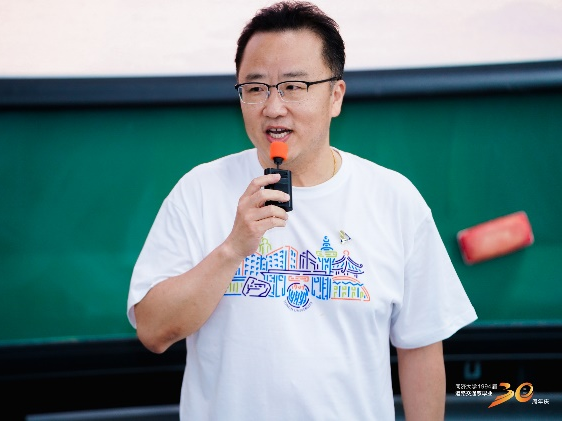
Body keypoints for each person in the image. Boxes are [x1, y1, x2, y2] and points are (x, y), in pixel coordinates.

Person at [127, 1, 477, 419]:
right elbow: (153, 331)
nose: (273, 108)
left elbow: (420, 346)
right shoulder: (199, 190)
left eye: (293, 86)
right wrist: (232, 249)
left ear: (335, 96)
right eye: (255, 88)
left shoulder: (394, 199)